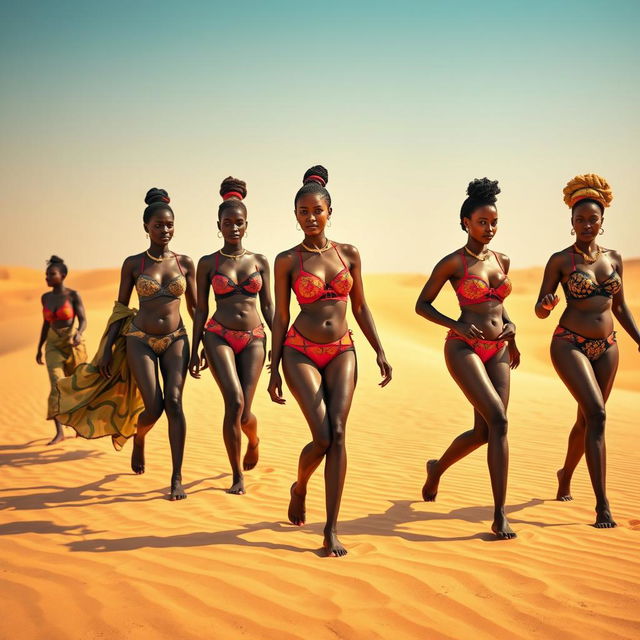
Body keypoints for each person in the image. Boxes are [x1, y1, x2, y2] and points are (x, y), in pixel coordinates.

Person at [267, 165, 392, 557]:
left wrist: (379, 349)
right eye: (302, 212)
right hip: (299, 350)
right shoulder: (287, 259)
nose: (310, 218)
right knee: (321, 436)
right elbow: (281, 316)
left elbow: (360, 306)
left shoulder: (349, 254)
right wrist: (274, 366)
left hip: (342, 349)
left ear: (329, 211)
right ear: (295, 216)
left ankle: (331, 529)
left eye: (316, 210)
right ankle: (300, 487)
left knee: (338, 432)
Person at [415, 178, 519, 540]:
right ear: (465, 222)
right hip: (464, 349)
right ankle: (500, 515)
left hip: (499, 350)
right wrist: (456, 325)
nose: (488, 229)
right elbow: (422, 304)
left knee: (485, 431)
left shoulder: (502, 259)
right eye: (481, 222)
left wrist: (512, 329)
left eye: (493, 223)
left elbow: (499, 307)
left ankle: (437, 469)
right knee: (500, 422)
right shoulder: (453, 263)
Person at [535, 173, 640, 528]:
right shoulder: (560, 260)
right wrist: (547, 305)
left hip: (608, 347)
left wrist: (639, 339)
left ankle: (565, 474)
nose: (586, 224)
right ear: (571, 223)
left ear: (602, 221)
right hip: (570, 345)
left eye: (592, 218)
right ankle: (602, 506)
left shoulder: (614, 258)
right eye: (579, 219)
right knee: (597, 415)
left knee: (586, 418)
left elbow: (621, 307)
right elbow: (540, 306)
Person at [98, 188, 196, 500]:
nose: (165, 230)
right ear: (146, 228)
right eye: (158, 225)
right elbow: (121, 308)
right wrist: (105, 348)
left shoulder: (186, 263)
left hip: (176, 337)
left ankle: (176, 477)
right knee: (154, 407)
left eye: (169, 225)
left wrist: (204, 342)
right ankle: (139, 437)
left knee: (175, 403)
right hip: (139, 339)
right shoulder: (133, 264)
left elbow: (195, 308)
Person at [189, 177, 274, 495]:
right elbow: (200, 310)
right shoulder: (208, 263)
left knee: (245, 412)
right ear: (219, 225)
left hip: (254, 338)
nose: (234, 227)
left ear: (246, 224)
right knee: (234, 402)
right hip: (218, 335)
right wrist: (195, 347)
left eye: (239, 222)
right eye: (228, 222)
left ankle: (253, 439)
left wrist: (278, 348)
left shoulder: (260, 261)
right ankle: (237, 474)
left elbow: (269, 307)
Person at [36, 255, 87, 445]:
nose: (47, 277)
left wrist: (79, 334)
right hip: (53, 345)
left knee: (76, 386)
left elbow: (83, 320)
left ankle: (79, 425)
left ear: (63, 275)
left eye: (51, 274)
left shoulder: (73, 295)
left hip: (72, 343)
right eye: (46, 274)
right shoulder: (45, 297)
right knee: (57, 384)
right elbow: (45, 323)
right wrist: (39, 348)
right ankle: (59, 432)